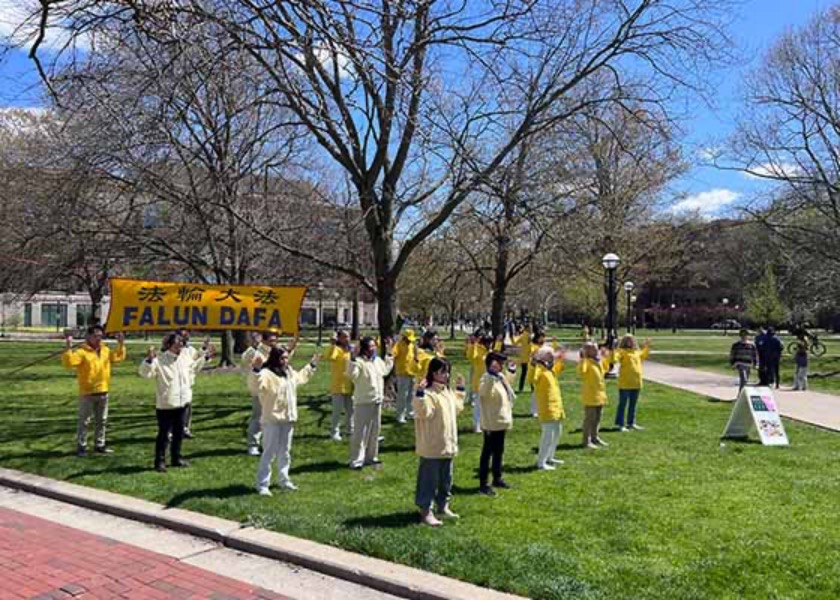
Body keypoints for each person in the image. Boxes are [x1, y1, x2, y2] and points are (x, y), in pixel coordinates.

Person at [249, 346, 319, 494]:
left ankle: (284, 479)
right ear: (275, 358)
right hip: (272, 420)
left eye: (286, 358)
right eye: (282, 358)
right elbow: (255, 387)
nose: (285, 361)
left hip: (288, 419)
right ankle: (262, 484)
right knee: (269, 452)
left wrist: (311, 365)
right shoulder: (266, 374)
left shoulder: (289, 373)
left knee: (285, 452)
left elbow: (300, 378)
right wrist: (255, 370)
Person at [139, 333, 209, 472]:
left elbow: (193, 368)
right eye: (177, 344)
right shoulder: (160, 359)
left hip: (183, 402)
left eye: (181, 344)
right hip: (166, 404)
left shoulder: (184, 357)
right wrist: (148, 360)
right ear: (169, 345)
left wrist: (205, 358)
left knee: (179, 433)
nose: (180, 347)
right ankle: (159, 461)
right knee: (164, 434)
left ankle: (176, 457)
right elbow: (145, 374)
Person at [413, 358, 465, 527]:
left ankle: (443, 506)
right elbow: (423, 413)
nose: (446, 374)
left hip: (447, 445)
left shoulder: (446, 392)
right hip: (432, 446)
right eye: (443, 371)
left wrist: (460, 390)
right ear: (433, 373)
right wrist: (420, 394)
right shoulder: (429, 393)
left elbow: (457, 408)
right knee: (429, 480)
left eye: (447, 371)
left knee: (445, 480)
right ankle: (426, 511)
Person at [62, 326, 126, 457]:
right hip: (87, 393)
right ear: (88, 337)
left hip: (103, 391)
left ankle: (100, 445)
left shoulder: (106, 350)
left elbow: (118, 357)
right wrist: (68, 347)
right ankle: (81, 447)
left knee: (102, 420)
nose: (98, 338)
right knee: (84, 421)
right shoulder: (82, 352)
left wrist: (121, 343)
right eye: (96, 336)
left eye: (100, 336)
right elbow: (69, 363)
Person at [348, 336, 394, 469]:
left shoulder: (377, 360)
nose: (373, 349)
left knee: (374, 431)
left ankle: (371, 457)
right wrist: (352, 359)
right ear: (364, 348)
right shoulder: (359, 362)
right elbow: (352, 375)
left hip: (377, 400)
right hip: (363, 401)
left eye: (374, 346)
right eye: (370, 346)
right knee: (360, 432)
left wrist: (389, 353)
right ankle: (356, 460)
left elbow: (386, 370)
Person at [477, 351, 517, 496]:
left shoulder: (499, 377)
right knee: (487, 453)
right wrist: (490, 375)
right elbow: (483, 392)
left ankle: (497, 477)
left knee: (499, 451)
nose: (501, 366)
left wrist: (512, 370)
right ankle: (483, 483)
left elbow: (509, 387)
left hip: (501, 421)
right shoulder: (487, 378)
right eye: (500, 363)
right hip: (491, 423)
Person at [241, 331, 280, 455]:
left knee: (273, 418)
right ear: (264, 341)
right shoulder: (256, 352)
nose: (274, 343)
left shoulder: (277, 352)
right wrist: (253, 346)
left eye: (275, 340)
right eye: (271, 340)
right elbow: (244, 358)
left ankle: (269, 444)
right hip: (260, 390)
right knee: (258, 418)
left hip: (274, 389)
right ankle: (253, 445)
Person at [175, 329, 214, 439]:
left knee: (187, 407)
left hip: (187, 383)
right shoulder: (174, 350)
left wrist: (205, 351)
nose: (185, 338)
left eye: (186, 335)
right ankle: (171, 431)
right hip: (175, 383)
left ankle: (185, 429)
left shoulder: (190, 350)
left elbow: (196, 363)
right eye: (183, 336)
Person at [531, 346, 566, 470]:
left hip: (556, 406)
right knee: (548, 435)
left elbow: (559, 368)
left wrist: (560, 358)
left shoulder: (549, 369)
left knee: (557, 432)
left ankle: (550, 457)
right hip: (547, 407)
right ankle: (541, 462)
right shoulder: (539, 369)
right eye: (549, 354)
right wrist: (535, 361)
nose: (552, 356)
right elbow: (532, 378)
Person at [612, 335, 651, 432]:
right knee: (623, 404)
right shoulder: (621, 352)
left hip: (636, 382)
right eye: (627, 340)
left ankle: (631, 423)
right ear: (624, 341)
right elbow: (614, 359)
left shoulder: (636, 352)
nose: (630, 341)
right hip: (625, 383)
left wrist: (646, 346)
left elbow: (644, 355)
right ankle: (620, 424)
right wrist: (613, 349)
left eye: (631, 340)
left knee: (633, 404)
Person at [321, 329, 355, 440]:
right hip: (338, 385)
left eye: (348, 336)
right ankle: (334, 432)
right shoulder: (337, 349)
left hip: (349, 384)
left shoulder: (350, 350)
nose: (347, 339)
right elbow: (329, 357)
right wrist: (332, 345)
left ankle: (350, 430)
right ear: (339, 338)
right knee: (337, 411)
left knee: (350, 410)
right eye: (344, 337)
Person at [577, 342, 611, 449]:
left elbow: (606, 369)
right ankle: (586, 441)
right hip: (591, 395)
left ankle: (595, 437)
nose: (597, 350)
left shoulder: (597, 362)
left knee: (597, 418)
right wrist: (583, 359)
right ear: (587, 351)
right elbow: (581, 372)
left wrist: (605, 357)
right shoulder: (586, 362)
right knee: (589, 419)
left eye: (597, 348)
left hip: (599, 394)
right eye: (594, 349)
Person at [466, 333, 496, 433]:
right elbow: (470, 356)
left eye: (491, 343)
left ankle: (487, 424)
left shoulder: (490, 352)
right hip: (480, 382)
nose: (490, 345)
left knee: (489, 405)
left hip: (490, 382)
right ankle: (477, 425)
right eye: (489, 343)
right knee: (478, 406)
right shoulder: (478, 350)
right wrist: (473, 344)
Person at [392, 328, 417, 425]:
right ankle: (400, 415)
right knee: (402, 395)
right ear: (404, 337)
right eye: (408, 338)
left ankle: (409, 413)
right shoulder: (398, 345)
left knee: (411, 394)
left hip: (412, 372)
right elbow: (393, 354)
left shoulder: (412, 345)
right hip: (402, 373)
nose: (410, 340)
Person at [527, 330, 547, 417]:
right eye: (542, 337)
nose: (544, 339)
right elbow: (534, 358)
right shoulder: (533, 346)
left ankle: (540, 409)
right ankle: (534, 410)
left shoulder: (542, 346)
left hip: (542, 371)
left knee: (541, 391)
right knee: (535, 392)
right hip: (534, 371)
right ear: (538, 338)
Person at [513, 324, 532, 393]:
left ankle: (521, 388)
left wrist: (515, 336)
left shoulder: (522, 336)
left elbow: (514, 343)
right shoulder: (529, 336)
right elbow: (531, 347)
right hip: (529, 358)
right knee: (530, 374)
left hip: (523, 358)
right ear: (527, 328)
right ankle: (532, 388)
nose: (531, 329)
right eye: (530, 328)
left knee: (524, 374)